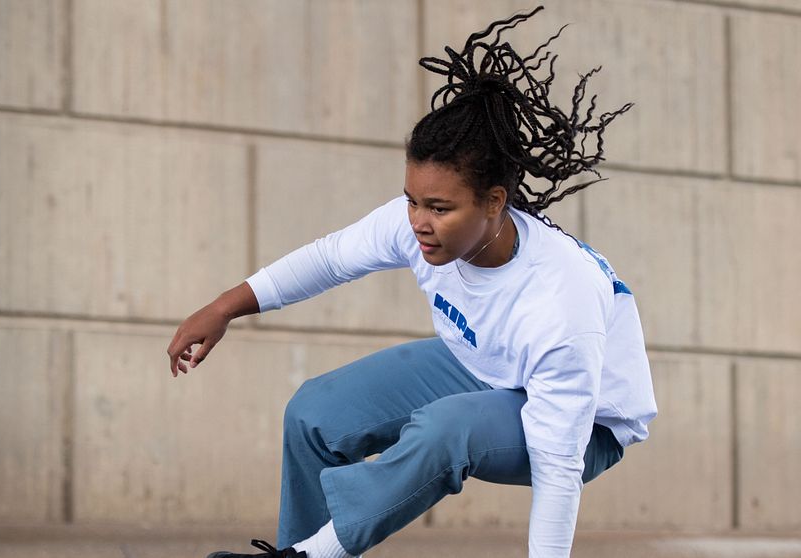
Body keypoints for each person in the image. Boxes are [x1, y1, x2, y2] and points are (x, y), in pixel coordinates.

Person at [166, 5, 658, 558]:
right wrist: (224, 307)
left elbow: (559, 465)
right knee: (315, 413)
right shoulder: (417, 221)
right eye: (412, 201)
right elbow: (329, 259)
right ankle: (298, 548)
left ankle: (309, 556)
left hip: (588, 427)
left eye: (440, 208)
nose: (419, 223)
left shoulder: (560, 301)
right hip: (481, 363)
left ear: (495, 202)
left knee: (446, 428)